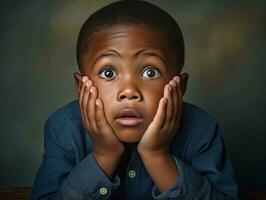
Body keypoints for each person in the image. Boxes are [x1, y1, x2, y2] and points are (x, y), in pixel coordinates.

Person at [30, 1, 238, 199]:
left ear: (180, 87)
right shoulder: (64, 129)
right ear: (81, 86)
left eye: (150, 72)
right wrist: (104, 155)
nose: (129, 91)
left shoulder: (201, 130)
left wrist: (157, 156)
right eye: (109, 73)